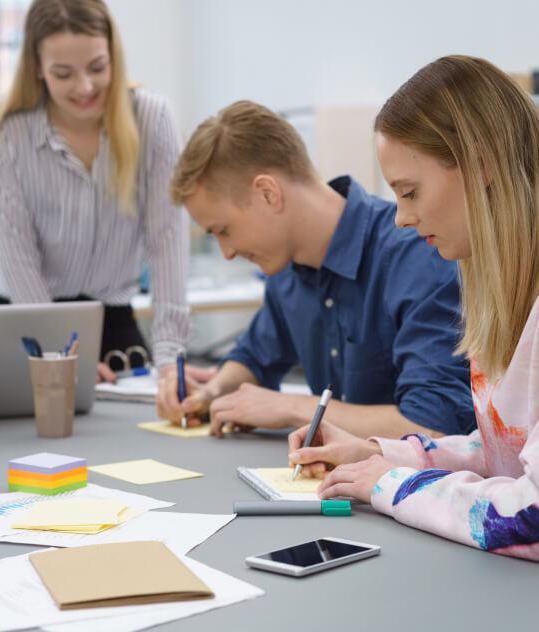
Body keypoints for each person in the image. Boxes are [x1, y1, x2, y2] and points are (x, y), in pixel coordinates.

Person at [289, 55, 539, 559]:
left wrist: (392, 485)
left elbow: (530, 516)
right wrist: (386, 454)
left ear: (481, 163)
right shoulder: (502, 296)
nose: (401, 217)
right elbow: (509, 457)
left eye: (410, 191)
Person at [157, 100, 474, 439]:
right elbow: (255, 358)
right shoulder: (286, 270)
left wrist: (291, 407)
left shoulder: (417, 254)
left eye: (224, 230)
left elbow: (434, 426)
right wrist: (209, 394)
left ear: (267, 194)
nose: (228, 252)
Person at [0, 0, 190, 381]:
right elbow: (18, 257)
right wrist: (57, 355)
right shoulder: (7, 136)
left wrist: (171, 358)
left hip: (110, 317)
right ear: (38, 67)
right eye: (64, 73)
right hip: (23, 315)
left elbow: (166, 240)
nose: (85, 87)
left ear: (113, 55)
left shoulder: (152, 119)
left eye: (97, 68)